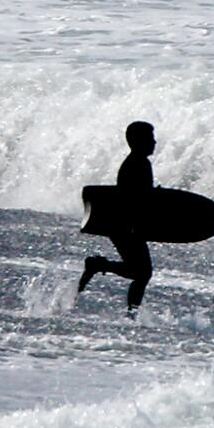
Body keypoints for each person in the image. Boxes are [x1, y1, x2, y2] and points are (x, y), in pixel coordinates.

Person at [79, 120, 155, 315]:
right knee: (142, 272)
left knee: (139, 271)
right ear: (138, 141)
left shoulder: (135, 162)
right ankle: (131, 313)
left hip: (122, 223)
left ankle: (100, 266)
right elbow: (136, 198)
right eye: (150, 138)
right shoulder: (139, 163)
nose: (154, 142)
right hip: (124, 225)